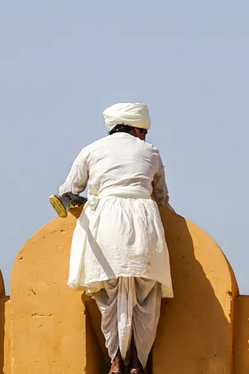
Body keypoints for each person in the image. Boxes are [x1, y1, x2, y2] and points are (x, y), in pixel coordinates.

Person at [59, 102, 172, 374]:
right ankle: (138, 363)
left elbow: (69, 189)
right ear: (136, 128)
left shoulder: (91, 149)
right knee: (145, 295)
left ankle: (116, 360)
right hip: (145, 224)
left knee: (110, 296)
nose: (144, 137)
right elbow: (162, 197)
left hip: (105, 224)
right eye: (143, 132)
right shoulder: (151, 152)